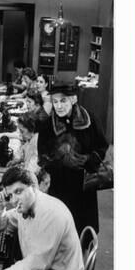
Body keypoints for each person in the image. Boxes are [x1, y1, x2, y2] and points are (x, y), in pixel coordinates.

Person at [37, 83, 108, 234]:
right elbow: (42, 154)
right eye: (55, 102)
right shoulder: (48, 125)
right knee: (60, 227)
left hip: (84, 182)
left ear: (73, 99)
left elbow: (102, 145)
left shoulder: (89, 119)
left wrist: (88, 160)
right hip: (60, 183)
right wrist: (59, 161)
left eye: (63, 101)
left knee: (83, 226)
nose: (58, 106)